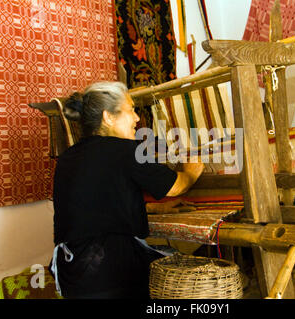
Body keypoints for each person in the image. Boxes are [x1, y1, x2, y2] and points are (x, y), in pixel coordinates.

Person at [49, 81, 204, 299]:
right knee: (184, 276)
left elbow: (95, 204)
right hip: (107, 275)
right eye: (131, 109)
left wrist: (154, 209)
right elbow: (176, 186)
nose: (137, 118)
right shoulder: (124, 150)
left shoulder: (69, 156)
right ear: (108, 117)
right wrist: (192, 171)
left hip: (72, 276)